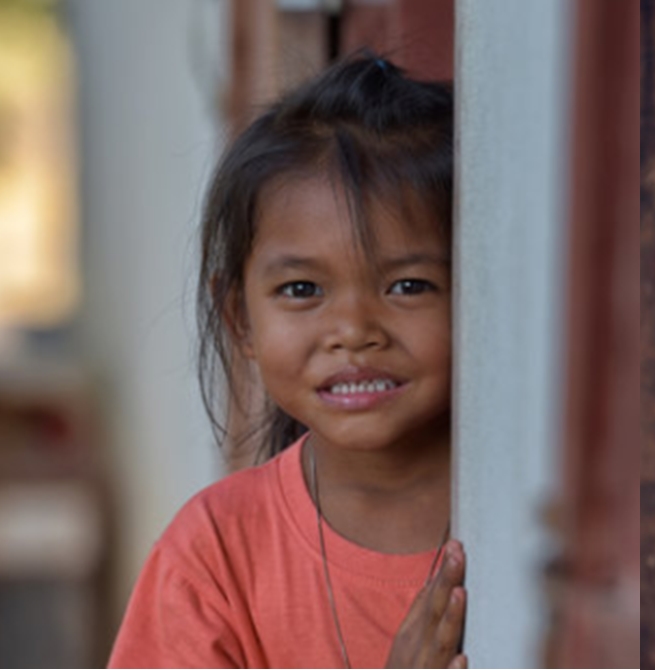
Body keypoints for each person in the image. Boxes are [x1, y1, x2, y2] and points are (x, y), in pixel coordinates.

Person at [108, 53, 467, 669]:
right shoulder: (216, 556)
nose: (353, 332)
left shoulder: (548, 510)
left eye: (408, 286)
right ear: (241, 320)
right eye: (303, 290)